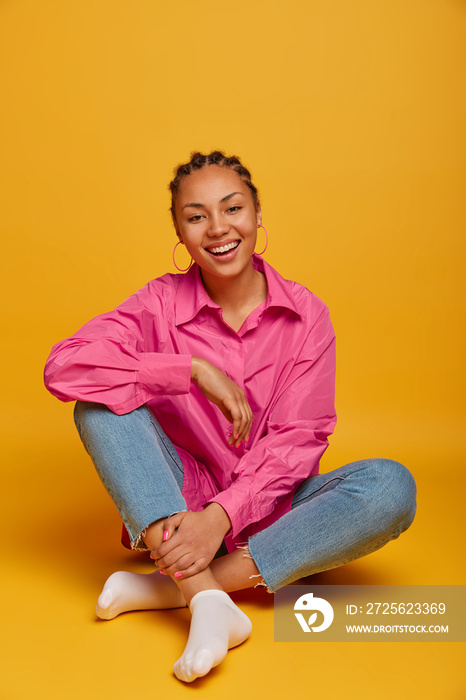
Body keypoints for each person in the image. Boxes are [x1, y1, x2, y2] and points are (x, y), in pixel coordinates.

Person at [44, 151, 417, 682]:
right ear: (179, 232)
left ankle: (181, 588)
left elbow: (298, 438)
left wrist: (220, 516)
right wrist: (187, 368)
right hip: (174, 508)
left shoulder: (307, 316)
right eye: (196, 216)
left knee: (389, 486)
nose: (219, 228)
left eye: (233, 208)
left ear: (258, 215)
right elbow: (64, 368)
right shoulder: (157, 305)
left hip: (270, 518)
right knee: (98, 401)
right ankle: (203, 597)